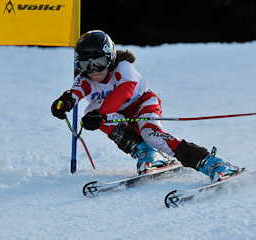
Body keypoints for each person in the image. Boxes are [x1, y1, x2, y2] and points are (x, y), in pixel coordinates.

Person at [51, 30, 239, 181]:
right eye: (86, 65)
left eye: (99, 63)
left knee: (151, 134)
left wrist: (100, 114)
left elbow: (123, 92)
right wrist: (63, 103)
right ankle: (147, 153)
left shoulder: (123, 68)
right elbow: (74, 94)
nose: (93, 71)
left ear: (110, 58)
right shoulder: (84, 78)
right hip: (116, 114)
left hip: (143, 105)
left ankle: (211, 163)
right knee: (89, 111)